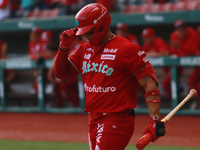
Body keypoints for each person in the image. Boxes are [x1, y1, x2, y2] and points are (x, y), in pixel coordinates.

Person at [54, 3, 165, 150]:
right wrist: (63, 47)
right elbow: (61, 73)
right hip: (93, 118)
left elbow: (149, 84)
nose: (86, 36)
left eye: (89, 32)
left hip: (117, 118)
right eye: (84, 33)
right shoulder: (84, 50)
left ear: (102, 25)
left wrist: (154, 119)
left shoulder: (127, 49)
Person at [164, 20, 200, 100]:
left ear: (186, 29)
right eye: (179, 30)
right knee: (166, 84)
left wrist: (181, 47)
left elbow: (193, 52)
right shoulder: (174, 35)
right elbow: (174, 53)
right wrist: (183, 51)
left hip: (197, 63)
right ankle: (178, 104)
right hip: (180, 65)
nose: (181, 32)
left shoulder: (193, 34)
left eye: (183, 29)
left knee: (193, 82)